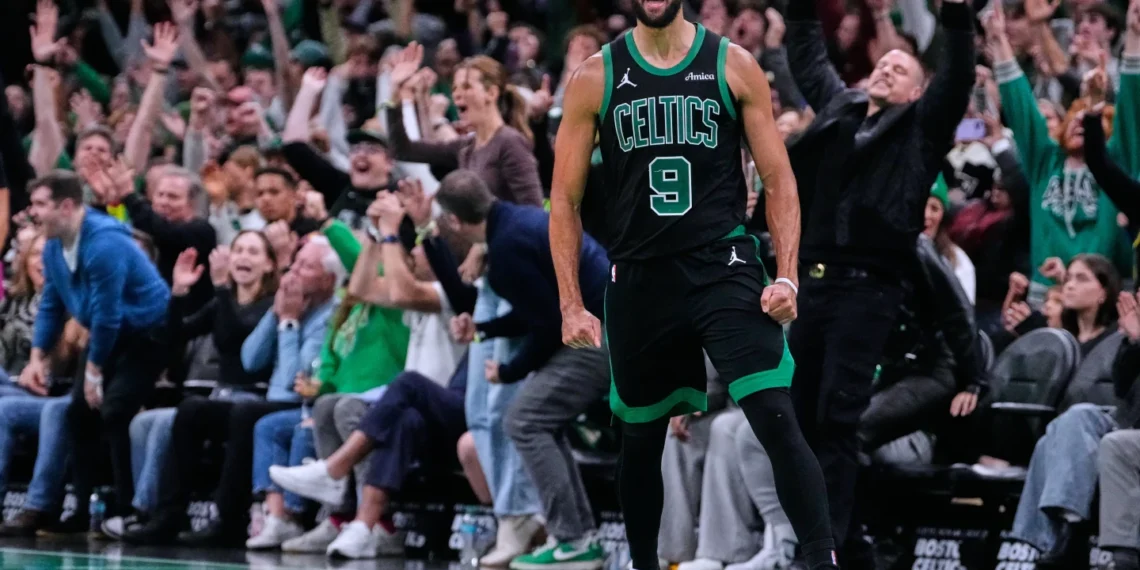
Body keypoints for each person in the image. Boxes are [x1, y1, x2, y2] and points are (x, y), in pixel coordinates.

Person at [549, 1, 839, 569]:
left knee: (774, 414)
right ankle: (643, 563)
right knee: (640, 440)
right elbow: (564, 199)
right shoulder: (595, 76)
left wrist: (787, 274)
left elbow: (778, 178)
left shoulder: (734, 64)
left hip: (721, 264)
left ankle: (821, 559)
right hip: (639, 276)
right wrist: (570, 303)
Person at [779, 0, 975, 560]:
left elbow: (957, 79)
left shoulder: (923, 127)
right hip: (813, 286)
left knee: (837, 418)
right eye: (882, 63)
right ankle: (844, 544)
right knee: (799, 418)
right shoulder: (841, 107)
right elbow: (807, 58)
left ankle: (825, 549)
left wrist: (957, 19)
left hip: (869, 289)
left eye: (900, 67)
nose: (886, 67)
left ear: (918, 91)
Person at [434, 170, 612, 570]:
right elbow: (539, 310)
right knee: (538, 421)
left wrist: (509, 371)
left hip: (600, 335)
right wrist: (483, 331)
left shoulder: (506, 250)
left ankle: (574, 540)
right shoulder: (519, 221)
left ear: (455, 221)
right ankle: (579, 537)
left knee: (524, 420)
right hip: (607, 325)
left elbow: (547, 325)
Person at [23, 170, 170, 528]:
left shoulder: (104, 242)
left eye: (40, 204)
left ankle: (128, 510)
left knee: (114, 410)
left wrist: (94, 371)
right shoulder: (55, 246)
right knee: (78, 413)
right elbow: (52, 303)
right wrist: (36, 356)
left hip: (148, 334)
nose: (33, 213)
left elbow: (108, 314)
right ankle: (81, 511)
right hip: (108, 332)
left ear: (66, 206)